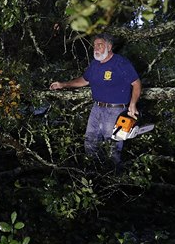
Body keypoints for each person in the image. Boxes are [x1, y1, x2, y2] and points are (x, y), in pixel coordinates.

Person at [49, 33, 141, 166]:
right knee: (90, 143)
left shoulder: (121, 63)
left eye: (100, 45)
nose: (96, 49)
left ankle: (114, 179)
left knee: (113, 149)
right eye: (94, 46)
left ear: (109, 47)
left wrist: (133, 104)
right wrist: (63, 84)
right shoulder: (95, 64)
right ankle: (94, 173)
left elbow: (136, 83)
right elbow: (84, 80)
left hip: (116, 111)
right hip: (96, 109)